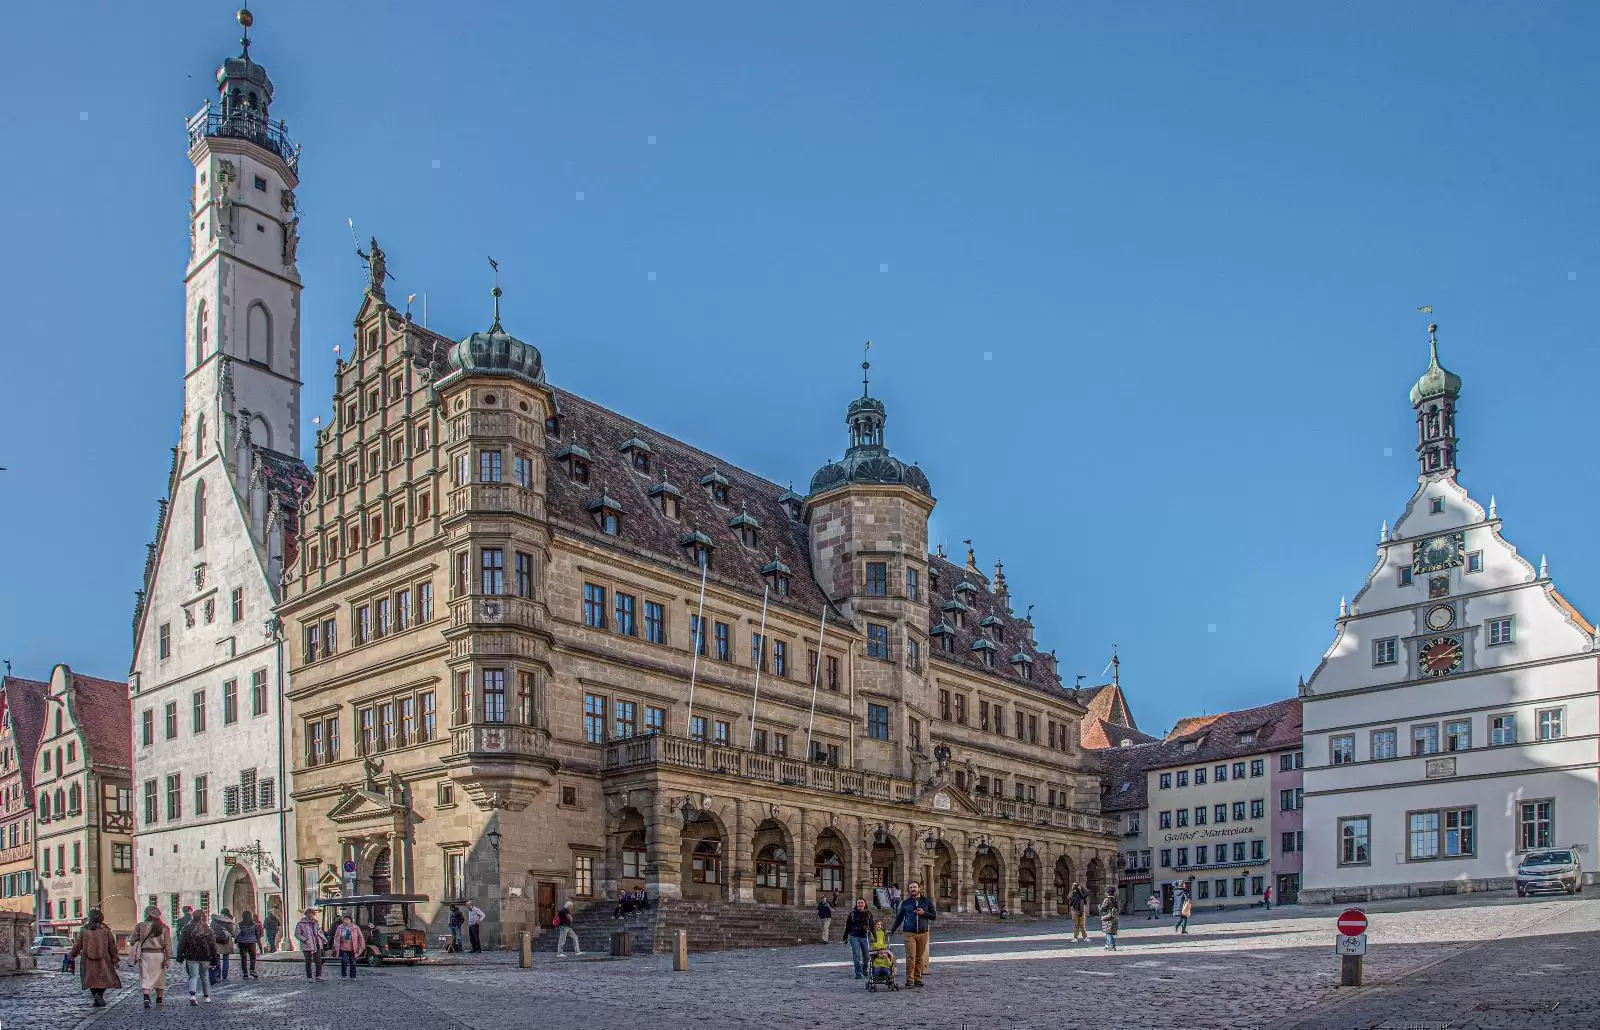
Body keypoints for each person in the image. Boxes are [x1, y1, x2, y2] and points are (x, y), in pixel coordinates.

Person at [69, 908, 122, 1007]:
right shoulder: (106, 930)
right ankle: (99, 995)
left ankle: (96, 997)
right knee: (105, 979)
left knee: (91, 980)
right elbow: (112, 946)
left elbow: (78, 944)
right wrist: (115, 959)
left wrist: (72, 955)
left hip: (88, 960)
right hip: (104, 959)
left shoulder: (84, 930)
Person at [888, 880, 936, 988]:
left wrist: (924, 913)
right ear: (909, 890)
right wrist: (892, 930)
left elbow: (933, 916)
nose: (912, 889)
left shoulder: (927, 901)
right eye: (910, 888)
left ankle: (918, 979)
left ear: (919, 888)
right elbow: (899, 918)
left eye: (914, 887)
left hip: (923, 933)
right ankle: (909, 980)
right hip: (909, 933)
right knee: (911, 957)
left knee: (919, 957)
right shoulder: (905, 903)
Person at [132, 905, 173, 1008]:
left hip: (145, 954)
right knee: (159, 977)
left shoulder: (140, 926)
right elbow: (167, 944)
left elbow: (133, 940)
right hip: (159, 954)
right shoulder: (164, 927)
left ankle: (146, 996)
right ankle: (159, 999)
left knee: (145, 976)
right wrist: (168, 958)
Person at [177, 907, 219, 1005]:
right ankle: (207, 997)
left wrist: (180, 953)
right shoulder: (208, 929)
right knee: (204, 976)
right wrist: (214, 957)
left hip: (191, 956)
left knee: (193, 976)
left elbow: (182, 942)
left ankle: (192, 996)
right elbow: (212, 945)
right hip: (205, 956)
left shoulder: (186, 928)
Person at [294, 906, 326, 982]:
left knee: (319, 961)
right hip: (307, 945)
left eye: (311, 913)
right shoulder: (301, 923)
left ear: (314, 914)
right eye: (308, 913)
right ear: (306, 914)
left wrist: (323, 939)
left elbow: (320, 932)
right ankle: (309, 977)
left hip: (317, 944)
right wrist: (305, 940)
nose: (310, 915)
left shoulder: (316, 922)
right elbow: (297, 934)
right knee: (308, 961)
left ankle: (318, 976)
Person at [843, 898, 873, 979]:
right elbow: (848, 926)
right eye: (858, 903)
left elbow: (872, 926)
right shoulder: (852, 914)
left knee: (866, 957)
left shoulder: (869, 913)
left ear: (864, 904)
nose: (860, 904)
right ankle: (858, 973)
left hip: (864, 937)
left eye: (861, 903)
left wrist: (875, 937)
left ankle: (864, 969)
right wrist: (845, 937)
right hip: (854, 936)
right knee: (856, 956)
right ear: (856, 904)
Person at [332, 914, 366, 980]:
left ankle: (353, 976)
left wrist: (362, 945)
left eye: (347, 919)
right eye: (344, 919)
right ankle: (343, 975)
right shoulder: (340, 927)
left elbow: (360, 937)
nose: (346, 921)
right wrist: (336, 945)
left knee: (353, 962)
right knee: (344, 961)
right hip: (343, 947)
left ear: (350, 920)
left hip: (353, 948)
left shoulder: (355, 927)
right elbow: (336, 937)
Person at [211, 908, 237, 983]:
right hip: (227, 942)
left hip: (217, 941)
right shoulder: (229, 922)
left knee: (217, 959)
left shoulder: (215, 921)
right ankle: (224, 976)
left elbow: (211, 930)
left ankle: (218, 975)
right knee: (226, 959)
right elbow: (233, 933)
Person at [235, 911, 261, 979]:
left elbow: (237, 934)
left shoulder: (240, 924)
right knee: (253, 957)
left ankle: (245, 973)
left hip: (242, 942)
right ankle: (252, 970)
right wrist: (258, 943)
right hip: (251, 942)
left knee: (243, 958)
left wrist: (236, 941)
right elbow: (257, 934)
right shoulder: (254, 924)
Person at [1099, 887, 1120, 951]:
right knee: (1109, 931)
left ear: (1108, 892)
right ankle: (1107, 945)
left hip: (1108, 917)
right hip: (1114, 917)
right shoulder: (1115, 899)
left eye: (1106, 891)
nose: (1105, 893)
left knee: (1108, 932)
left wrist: (1099, 908)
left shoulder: (1107, 900)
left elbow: (1103, 908)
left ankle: (1112, 945)